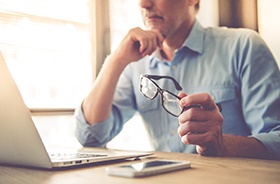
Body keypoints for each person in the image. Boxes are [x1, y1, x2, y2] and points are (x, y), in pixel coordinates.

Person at [75, 0, 280, 160]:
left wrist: (222, 144)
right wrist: (116, 60)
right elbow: (90, 136)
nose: (143, 4)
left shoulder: (243, 46)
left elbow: (277, 139)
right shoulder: (135, 64)